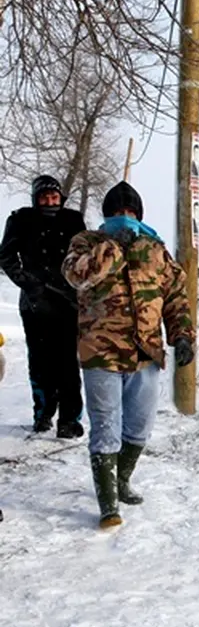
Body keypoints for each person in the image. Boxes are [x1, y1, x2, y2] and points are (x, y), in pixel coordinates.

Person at [61, 180, 195, 529]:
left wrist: (182, 337)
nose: (124, 218)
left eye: (130, 213)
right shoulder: (86, 243)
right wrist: (109, 249)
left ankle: (121, 481)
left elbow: (176, 297)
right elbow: (75, 276)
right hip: (100, 352)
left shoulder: (156, 250)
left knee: (139, 427)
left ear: (139, 215)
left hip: (145, 354)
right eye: (117, 213)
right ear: (106, 216)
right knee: (106, 427)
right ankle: (108, 506)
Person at [0, 174, 87, 436]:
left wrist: (78, 286)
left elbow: (84, 257)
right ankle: (43, 413)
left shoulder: (73, 221)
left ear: (61, 198)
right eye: (44, 197)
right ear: (36, 199)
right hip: (35, 304)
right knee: (40, 362)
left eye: (54, 197)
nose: (50, 202)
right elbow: (6, 256)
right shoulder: (20, 220)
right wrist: (28, 282)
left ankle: (69, 420)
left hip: (67, 303)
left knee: (68, 363)